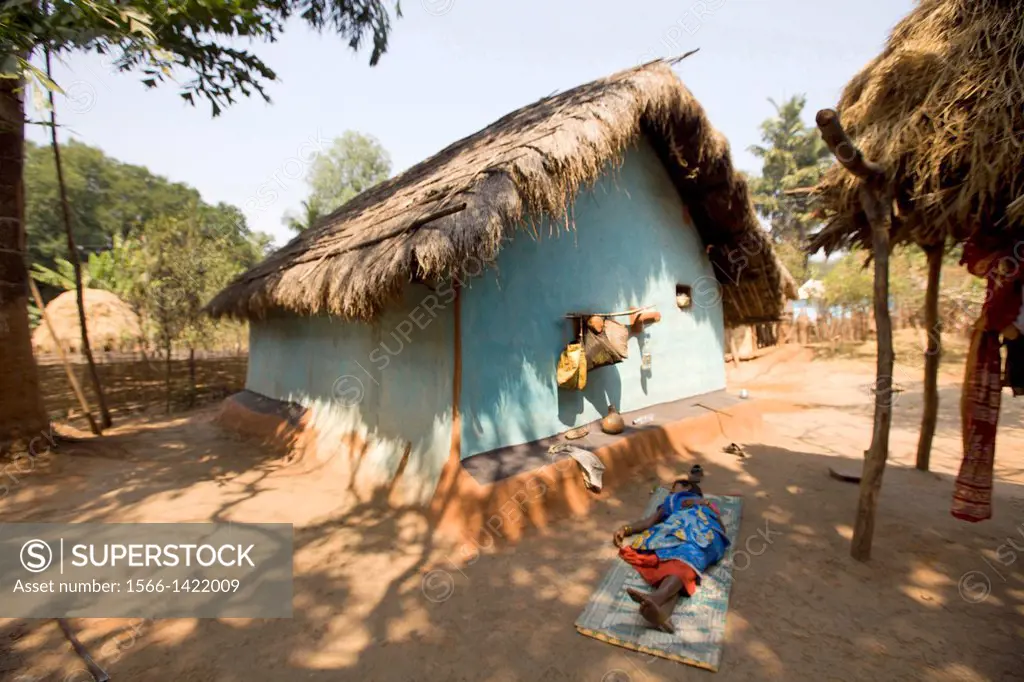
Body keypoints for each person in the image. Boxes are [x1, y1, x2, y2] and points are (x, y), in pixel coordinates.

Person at [612, 465, 730, 632]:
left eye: (674, 489)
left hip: (704, 532)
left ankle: (655, 597)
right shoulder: (669, 503)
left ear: (688, 487)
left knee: (685, 555)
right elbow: (648, 522)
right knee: (676, 564)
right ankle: (663, 614)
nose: (670, 493)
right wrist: (625, 529)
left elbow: (720, 526)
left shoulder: (698, 502)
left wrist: (698, 505)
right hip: (699, 538)